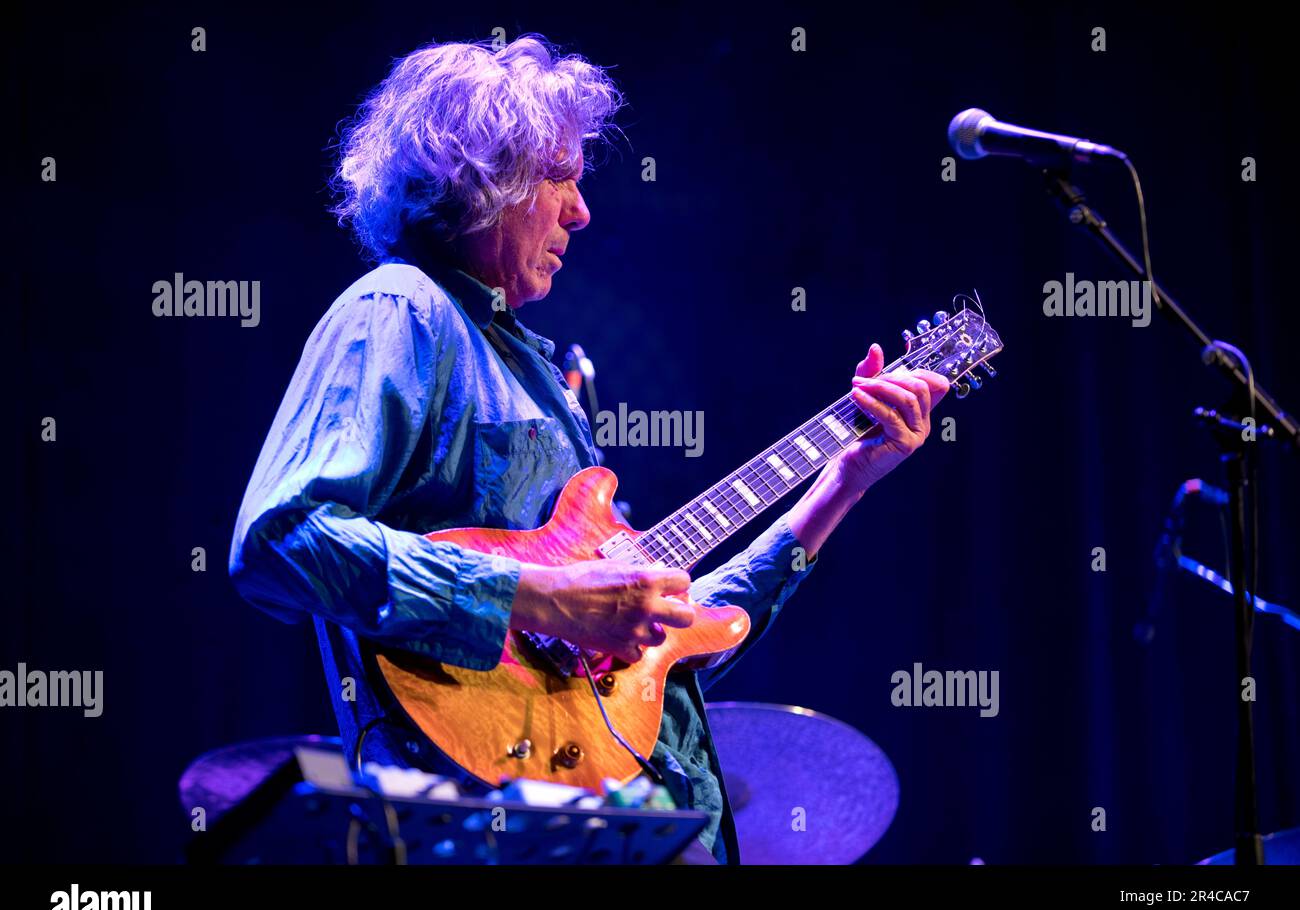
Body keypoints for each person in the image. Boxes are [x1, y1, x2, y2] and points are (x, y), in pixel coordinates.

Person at [229, 35, 948, 864]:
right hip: (480, 831)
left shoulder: (538, 373)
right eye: (559, 176)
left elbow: (639, 668)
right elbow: (278, 540)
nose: (582, 211)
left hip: (613, 827)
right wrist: (538, 595)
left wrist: (842, 483)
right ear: (481, 178)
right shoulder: (400, 310)